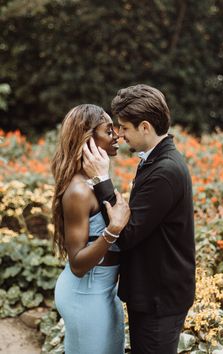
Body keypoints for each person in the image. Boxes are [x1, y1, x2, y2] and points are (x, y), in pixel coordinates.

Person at [82, 84, 196, 354]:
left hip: (159, 296)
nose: (120, 134)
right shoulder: (157, 160)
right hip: (153, 290)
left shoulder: (164, 171)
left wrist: (101, 179)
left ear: (145, 126)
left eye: (124, 127)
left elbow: (128, 232)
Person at [51, 104, 130, 354]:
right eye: (109, 131)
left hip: (105, 293)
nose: (117, 136)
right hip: (85, 296)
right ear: (88, 138)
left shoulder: (95, 181)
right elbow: (77, 263)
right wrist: (113, 230)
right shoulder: (78, 190)